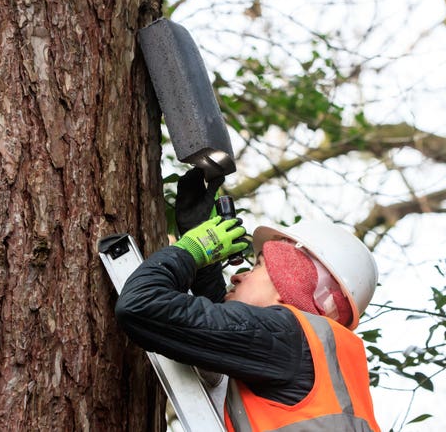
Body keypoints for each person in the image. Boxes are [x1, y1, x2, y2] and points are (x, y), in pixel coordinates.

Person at [116, 168, 380, 432]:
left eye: (258, 267)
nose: (237, 277)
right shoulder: (315, 355)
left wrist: (192, 250)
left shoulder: (286, 336)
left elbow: (141, 304)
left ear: (289, 289)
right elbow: (231, 331)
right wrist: (205, 262)